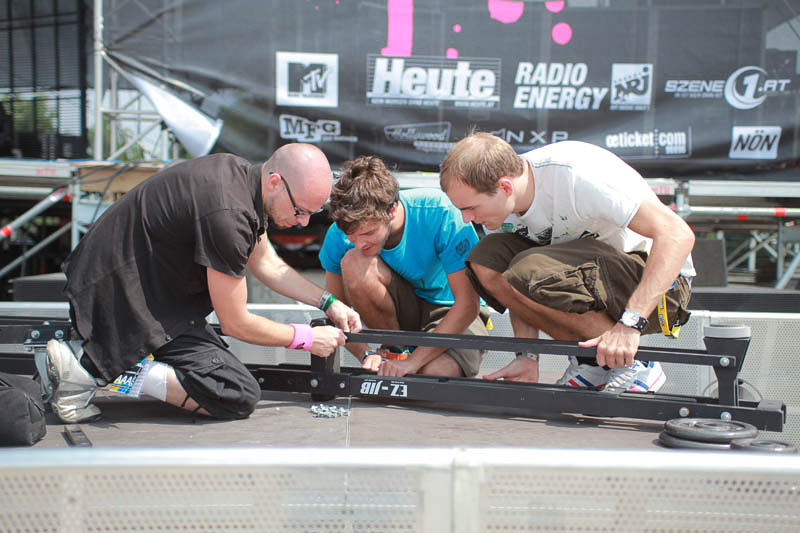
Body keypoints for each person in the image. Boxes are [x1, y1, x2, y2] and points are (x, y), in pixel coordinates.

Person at [47, 143, 361, 423]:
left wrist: (329, 303)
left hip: (141, 289)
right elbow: (236, 323)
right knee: (234, 395)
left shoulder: (242, 178)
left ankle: (97, 361)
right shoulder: (230, 215)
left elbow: (268, 264)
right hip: (119, 296)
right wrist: (306, 338)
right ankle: (92, 367)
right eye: (300, 210)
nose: (304, 222)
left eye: (312, 213)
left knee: (227, 382)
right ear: (275, 182)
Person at [439, 132, 695, 390]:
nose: (466, 218)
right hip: (597, 280)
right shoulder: (500, 206)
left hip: (661, 289)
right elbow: (514, 280)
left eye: (470, 208)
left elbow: (678, 234)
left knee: (531, 268)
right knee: (487, 259)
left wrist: (630, 325)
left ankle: (635, 362)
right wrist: (527, 354)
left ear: (505, 187)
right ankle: (594, 361)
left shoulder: (576, 174)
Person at [319, 155, 489, 378]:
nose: (359, 243)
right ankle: (394, 351)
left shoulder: (440, 211)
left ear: (392, 210)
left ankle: (408, 361)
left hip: (452, 310)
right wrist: (366, 354)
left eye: (368, 233)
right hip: (404, 314)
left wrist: (413, 363)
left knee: (432, 375)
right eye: (351, 236)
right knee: (354, 261)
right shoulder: (338, 234)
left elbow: (468, 305)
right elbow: (336, 311)